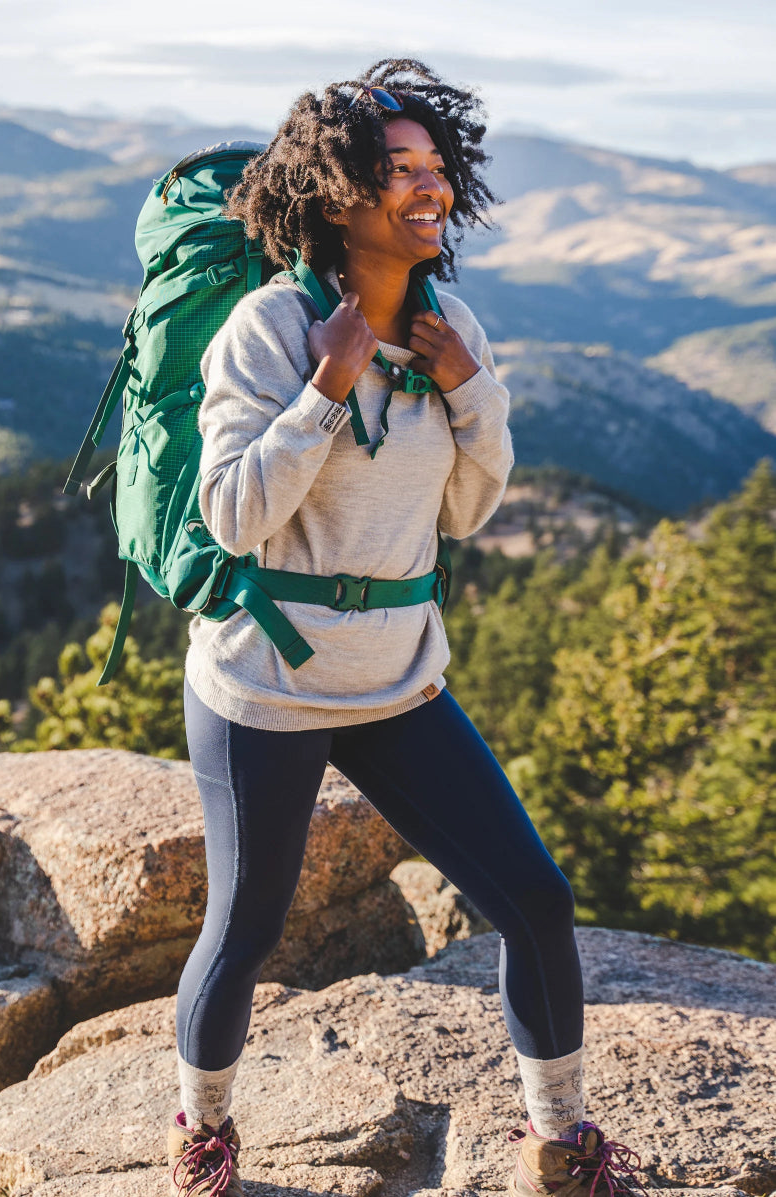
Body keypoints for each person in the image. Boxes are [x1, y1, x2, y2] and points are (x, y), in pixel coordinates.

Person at [167, 58, 646, 1197]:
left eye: (437, 168)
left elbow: (470, 511)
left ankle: (561, 1142)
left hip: (398, 681)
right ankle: (203, 1130)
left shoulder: (450, 322)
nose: (429, 188)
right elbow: (232, 516)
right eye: (400, 172)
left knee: (534, 900)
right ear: (339, 197)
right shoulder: (268, 329)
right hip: (267, 688)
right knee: (244, 932)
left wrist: (472, 390)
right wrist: (324, 393)